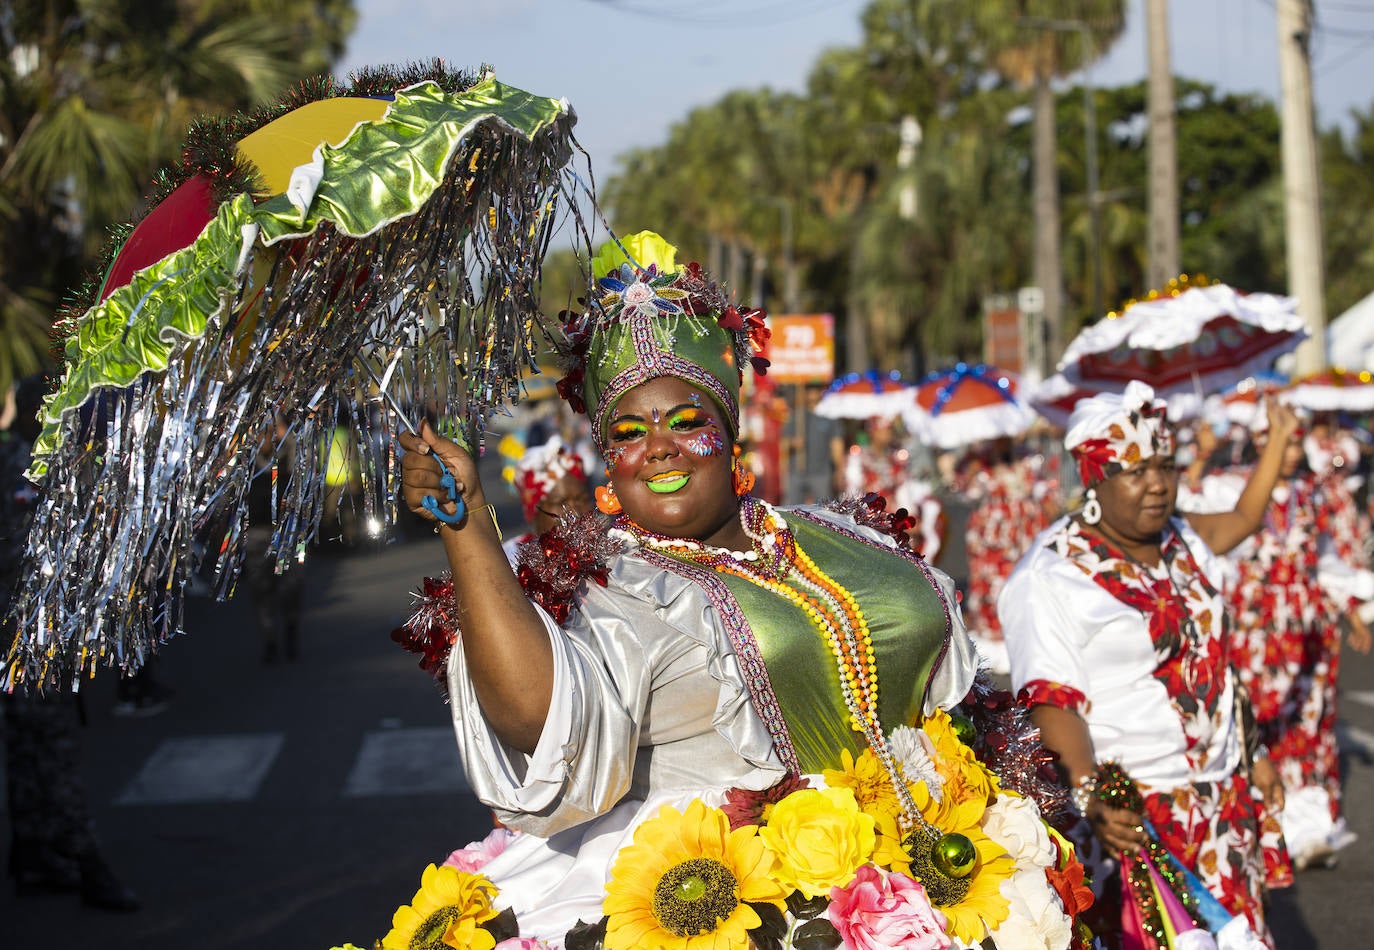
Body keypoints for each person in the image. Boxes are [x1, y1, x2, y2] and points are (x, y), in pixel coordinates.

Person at [388, 233, 1086, 949]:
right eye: (628, 433)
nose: (658, 446)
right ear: (609, 459)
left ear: (730, 431)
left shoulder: (843, 534)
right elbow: (544, 726)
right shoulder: (601, 589)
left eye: (686, 422)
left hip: (939, 883)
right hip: (738, 907)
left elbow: (959, 694)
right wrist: (470, 524)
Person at [999, 382, 1298, 947]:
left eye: (1166, 465)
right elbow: (1051, 701)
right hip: (1137, 822)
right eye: (1134, 471)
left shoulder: (1181, 540)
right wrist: (1092, 796)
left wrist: (1251, 751)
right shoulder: (1050, 577)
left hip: (1220, 805)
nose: (1158, 484)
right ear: (1094, 479)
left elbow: (1241, 520)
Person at [1183, 412, 1373, 870]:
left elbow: (1325, 559)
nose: (1289, 452)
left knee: (1310, 725)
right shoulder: (1232, 489)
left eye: (1294, 444)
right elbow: (1192, 521)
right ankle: (1263, 825)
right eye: (1279, 442)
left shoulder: (1312, 495)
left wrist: (1351, 613)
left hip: (1307, 631)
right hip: (1256, 629)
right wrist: (1201, 456)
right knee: (1261, 723)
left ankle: (1311, 826)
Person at [1, 375, 139, 912]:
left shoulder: (34, 464)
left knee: (27, 748)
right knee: (51, 750)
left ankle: (34, 853)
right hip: (30, 640)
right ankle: (84, 860)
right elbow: (29, 561)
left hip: (27, 639)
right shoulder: (27, 468)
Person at [241, 414, 306, 664]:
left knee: (292, 588)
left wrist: (282, 426)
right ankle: (269, 640)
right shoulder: (246, 464)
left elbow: (298, 445)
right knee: (261, 592)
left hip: (288, 533)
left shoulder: (287, 459)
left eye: (270, 432)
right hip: (256, 536)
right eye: (261, 433)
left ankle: (291, 630)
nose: (266, 438)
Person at [501, 435, 594, 561]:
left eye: (582, 499)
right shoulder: (509, 562)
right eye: (560, 502)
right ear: (534, 511)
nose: (574, 512)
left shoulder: (611, 557)